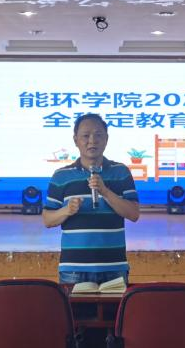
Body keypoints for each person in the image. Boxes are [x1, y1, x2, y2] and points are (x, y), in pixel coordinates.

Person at [42, 113, 141, 286]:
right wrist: (67, 210)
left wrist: (105, 192)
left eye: (98, 135)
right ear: (75, 140)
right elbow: (48, 220)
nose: (92, 141)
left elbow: (133, 214)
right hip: (73, 269)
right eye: (86, 136)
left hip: (114, 267)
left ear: (106, 139)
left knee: (116, 307)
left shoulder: (121, 172)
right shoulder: (61, 176)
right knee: (73, 306)